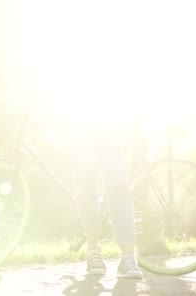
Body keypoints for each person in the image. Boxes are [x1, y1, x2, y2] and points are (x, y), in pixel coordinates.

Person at [66, 113, 143, 279]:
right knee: (84, 179)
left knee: (118, 183)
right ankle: (93, 249)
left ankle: (128, 256)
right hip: (78, 120)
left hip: (109, 119)